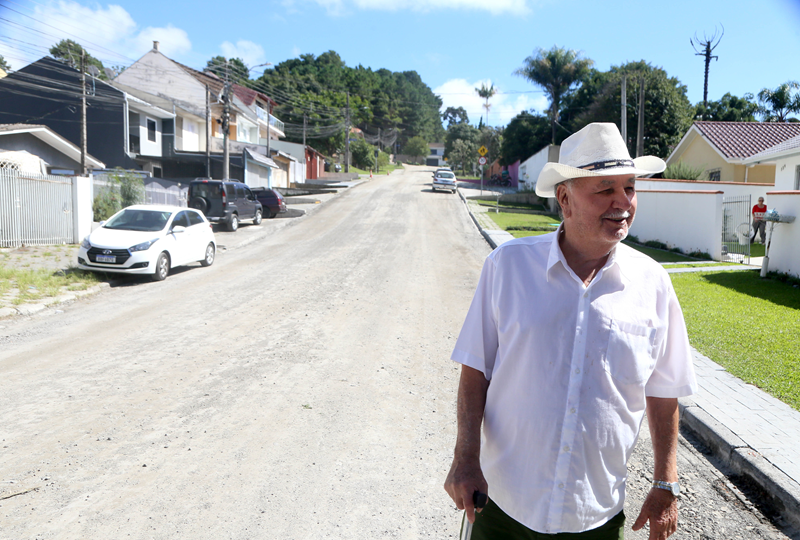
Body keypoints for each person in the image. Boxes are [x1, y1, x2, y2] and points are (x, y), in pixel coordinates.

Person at [444, 123, 697, 540]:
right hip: (503, 508)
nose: (623, 202)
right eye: (605, 189)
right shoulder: (508, 266)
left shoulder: (653, 284)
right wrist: (465, 456)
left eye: (630, 188)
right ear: (564, 198)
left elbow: (664, 390)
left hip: (596, 516)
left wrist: (665, 483)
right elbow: (475, 369)